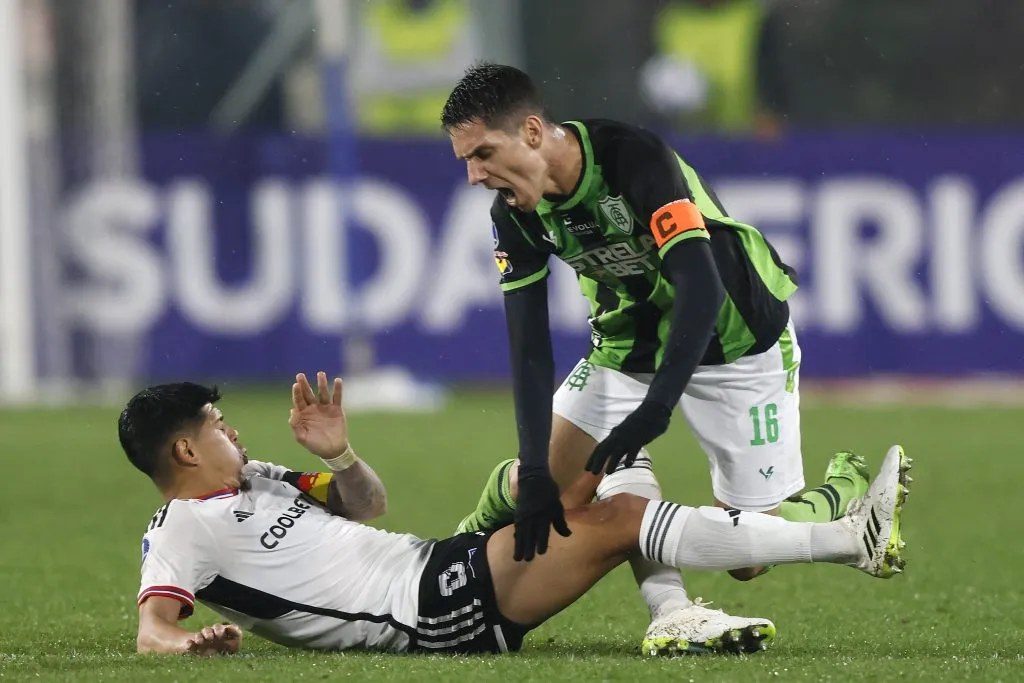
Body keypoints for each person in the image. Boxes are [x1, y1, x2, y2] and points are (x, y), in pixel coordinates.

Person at [440, 62, 872, 654]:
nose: (473, 175)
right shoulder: (513, 213)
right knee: (551, 489)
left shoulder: (631, 158)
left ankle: (834, 495)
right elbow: (529, 342)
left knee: (747, 561)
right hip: (627, 346)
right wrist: (535, 468)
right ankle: (456, 547)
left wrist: (658, 408)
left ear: (533, 132)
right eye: (465, 159)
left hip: (736, 337)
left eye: (483, 153)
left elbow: (702, 286)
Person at [124, 372, 909, 656]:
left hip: (434, 565)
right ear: (185, 452)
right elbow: (151, 627)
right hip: (426, 614)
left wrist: (339, 454)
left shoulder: (256, 479)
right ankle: (848, 540)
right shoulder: (181, 531)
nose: (232, 427)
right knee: (621, 513)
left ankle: (671, 610)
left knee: (595, 466)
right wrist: (189, 641)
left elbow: (368, 507)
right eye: (215, 422)